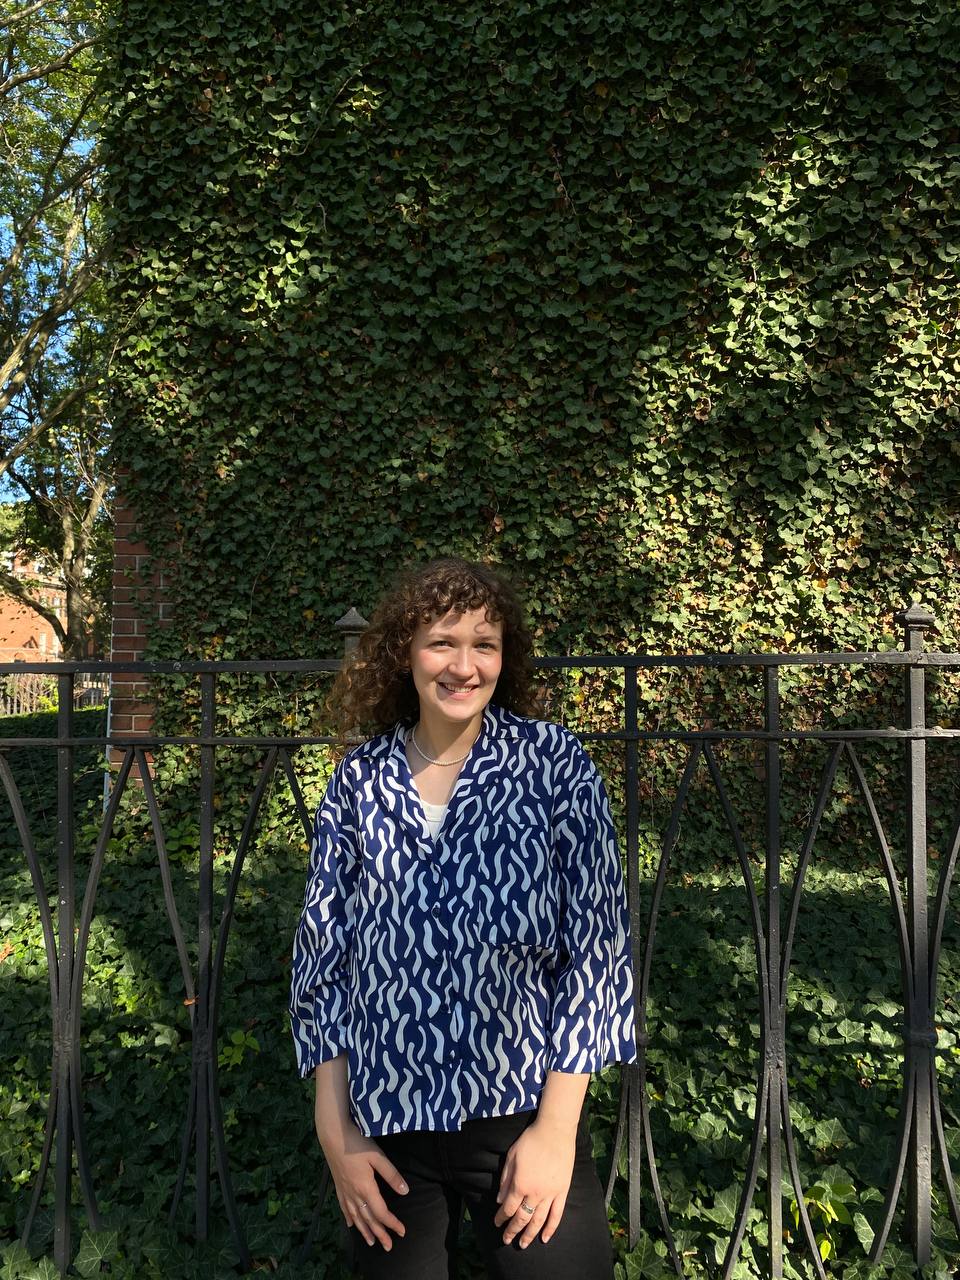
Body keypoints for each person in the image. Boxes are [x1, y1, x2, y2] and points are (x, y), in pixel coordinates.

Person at [289, 556, 638, 1279]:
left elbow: (597, 952)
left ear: (504, 658)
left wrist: (556, 1132)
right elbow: (324, 958)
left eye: (484, 643)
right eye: (442, 642)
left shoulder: (554, 765)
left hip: (522, 1120)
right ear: (405, 654)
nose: (463, 664)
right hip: (388, 1133)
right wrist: (335, 1132)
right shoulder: (359, 781)